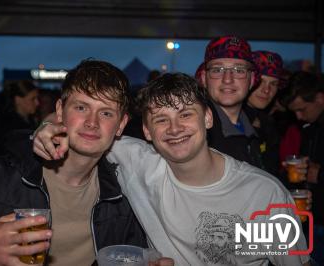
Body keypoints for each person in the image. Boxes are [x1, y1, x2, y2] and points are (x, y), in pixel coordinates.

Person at [34, 73, 310, 265]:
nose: (175, 129)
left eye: (186, 114)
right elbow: (80, 125)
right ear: (146, 131)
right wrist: (46, 128)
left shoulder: (264, 195)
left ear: (208, 118)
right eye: (161, 120)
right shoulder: (137, 160)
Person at [0, 60, 174, 266]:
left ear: (120, 125)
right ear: (59, 111)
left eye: (106, 113)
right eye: (81, 107)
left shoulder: (122, 197)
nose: (92, 122)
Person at [200, 35, 262, 168]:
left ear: (251, 80)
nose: (227, 79)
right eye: (217, 70)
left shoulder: (257, 127)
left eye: (239, 70)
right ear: (204, 78)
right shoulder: (194, 131)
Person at [283, 71, 324, 265]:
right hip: (313, 218)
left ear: (320, 99)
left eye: (302, 109)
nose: (298, 117)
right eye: (295, 112)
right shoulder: (310, 127)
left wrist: (320, 174)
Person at [244, 50, 284, 175]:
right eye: (260, 81)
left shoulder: (268, 122)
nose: (267, 90)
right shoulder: (229, 119)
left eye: (273, 83)